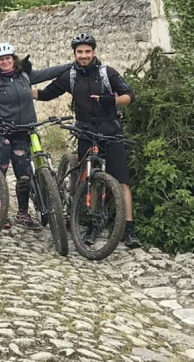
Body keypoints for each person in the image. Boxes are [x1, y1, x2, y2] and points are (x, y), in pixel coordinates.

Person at [34, 33, 141, 249]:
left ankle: (129, 229)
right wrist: (18, 88)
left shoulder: (106, 73)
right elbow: (46, 94)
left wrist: (111, 100)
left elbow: (130, 96)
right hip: (85, 131)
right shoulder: (70, 76)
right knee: (89, 177)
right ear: (74, 54)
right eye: (80, 52)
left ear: (94, 52)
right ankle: (93, 222)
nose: (84, 56)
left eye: (87, 51)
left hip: (111, 130)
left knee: (121, 181)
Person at [0, 42, 69, 229]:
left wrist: (71, 65)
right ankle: (1, 213)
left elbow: (50, 72)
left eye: (8, 58)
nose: (5, 62)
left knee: (24, 175)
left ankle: (23, 214)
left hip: (22, 132)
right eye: (1, 60)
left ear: (13, 59)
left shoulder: (25, 77)